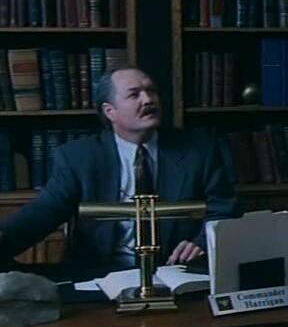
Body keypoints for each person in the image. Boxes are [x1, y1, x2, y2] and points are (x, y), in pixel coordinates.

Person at [0, 66, 241, 278]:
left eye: (151, 91)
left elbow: (224, 209)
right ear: (110, 111)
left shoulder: (199, 149)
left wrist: (201, 243)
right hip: (100, 273)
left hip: (176, 270)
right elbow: (43, 213)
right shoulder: (78, 158)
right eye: (134, 94)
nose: (148, 100)